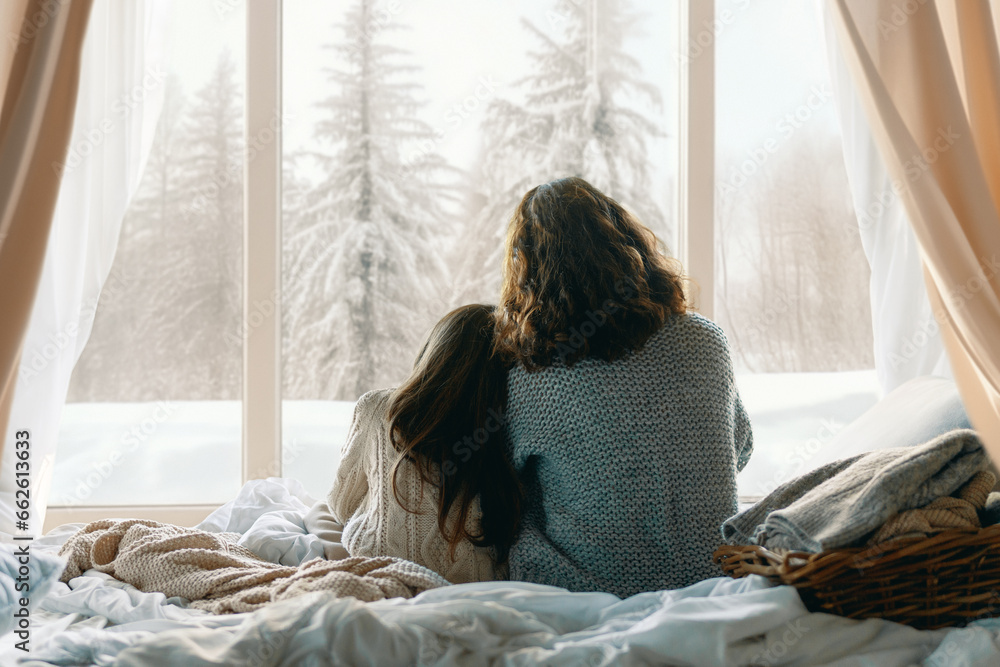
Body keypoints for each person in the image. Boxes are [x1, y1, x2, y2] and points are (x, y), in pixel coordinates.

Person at [495, 177, 753, 598]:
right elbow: (739, 448)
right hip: (712, 579)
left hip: (585, 590)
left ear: (528, 271)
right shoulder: (705, 340)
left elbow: (507, 488)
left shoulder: (532, 373)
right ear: (626, 242)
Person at [305, 304, 522, 584]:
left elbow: (341, 505)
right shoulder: (507, 424)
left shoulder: (377, 407)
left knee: (317, 511)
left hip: (376, 564)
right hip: (475, 581)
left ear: (434, 351)